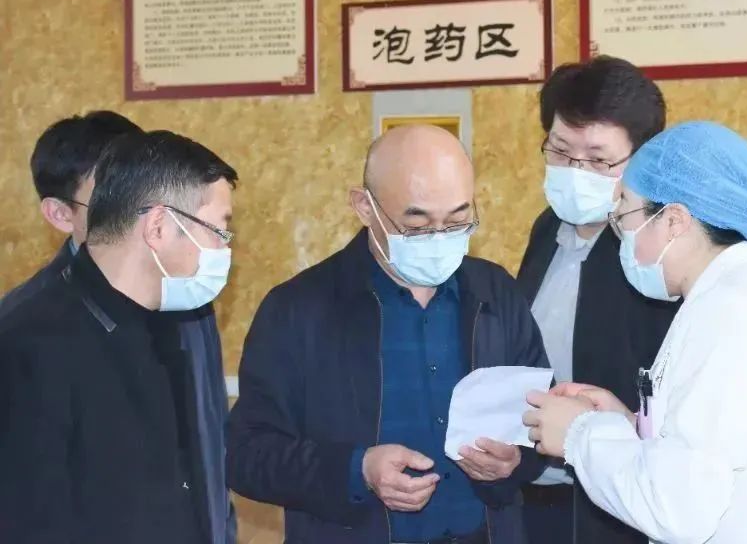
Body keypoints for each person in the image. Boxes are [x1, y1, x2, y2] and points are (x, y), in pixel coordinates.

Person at [524, 121, 747, 544]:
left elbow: (678, 508)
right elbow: (708, 448)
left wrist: (579, 434)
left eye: (624, 216)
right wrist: (628, 424)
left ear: (673, 221)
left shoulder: (735, 313)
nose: (621, 237)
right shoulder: (725, 297)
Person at [227, 125, 549, 544]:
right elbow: (246, 454)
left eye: (457, 220)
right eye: (417, 224)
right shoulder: (297, 309)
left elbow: (540, 415)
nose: (439, 238)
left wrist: (517, 460)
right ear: (365, 207)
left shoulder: (496, 293)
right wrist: (356, 470)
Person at [0, 111, 238, 544]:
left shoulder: (182, 305)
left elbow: (203, 458)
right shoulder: (28, 340)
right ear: (158, 226)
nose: (224, 249)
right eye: (218, 231)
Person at [516, 56, 675, 544]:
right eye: (561, 151)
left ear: (640, 159)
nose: (575, 171)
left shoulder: (655, 251)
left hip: (618, 502)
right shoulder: (547, 228)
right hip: (538, 490)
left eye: (599, 159)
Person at [0, 110, 141, 321]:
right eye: (115, 196)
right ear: (61, 215)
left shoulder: (182, 283)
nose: (149, 212)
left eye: (149, 187)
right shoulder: (22, 322)